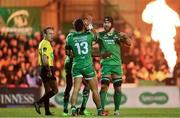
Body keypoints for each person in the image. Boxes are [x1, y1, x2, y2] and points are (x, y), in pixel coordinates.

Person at [65, 18, 104, 116]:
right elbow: (97, 37)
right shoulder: (88, 36)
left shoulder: (70, 37)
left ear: (74, 27)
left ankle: (73, 109)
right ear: (83, 26)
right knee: (94, 89)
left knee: (76, 89)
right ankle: (99, 111)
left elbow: (68, 53)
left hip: (76, 65)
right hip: (87, 66)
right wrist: (90, 26)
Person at [98, 16, 131, 116]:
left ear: (111, 24)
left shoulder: (117, 35)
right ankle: (101, 110)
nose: (106, 24)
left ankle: (117, 110)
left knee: (118, 88)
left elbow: (129, 43)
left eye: (108, 23)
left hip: (116, 65)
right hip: (106, 65)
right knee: (104, 87)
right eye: (104, 22)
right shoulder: (100, 35)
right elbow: (92, 43)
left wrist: (125, 36)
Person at [33, 27, 58, 115]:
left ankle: (47, 111)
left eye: (52, 33)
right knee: (55, 90)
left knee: (47, 91)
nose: (52, 35)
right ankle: (38, 103)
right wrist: (49, 70)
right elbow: (44, 58)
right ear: (45, 35)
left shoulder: (43, 43)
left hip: (44, 68)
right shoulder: (45, 44)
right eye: (50, 33)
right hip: (46, 68)